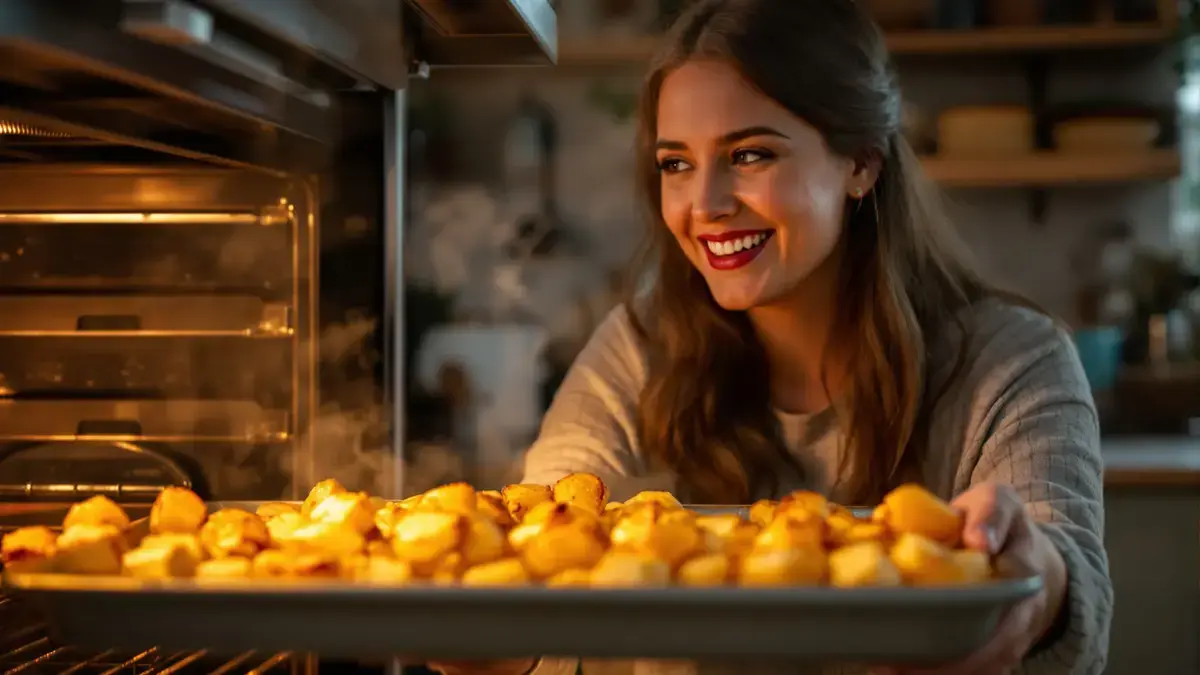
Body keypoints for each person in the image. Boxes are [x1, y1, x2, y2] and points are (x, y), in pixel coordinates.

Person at [432, 0, 1111, 673]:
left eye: (750, 154)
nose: (705, 204)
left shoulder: (1015, 360)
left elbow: (1068, 585)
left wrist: (1035, 579)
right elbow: (551, 522)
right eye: (676, 165)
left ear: (861, 164)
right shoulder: (641, 345)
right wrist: (480, 632)